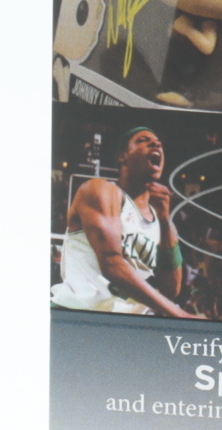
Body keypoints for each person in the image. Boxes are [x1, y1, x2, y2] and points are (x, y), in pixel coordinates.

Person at [52, 126, 195, 317]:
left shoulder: (165, 224)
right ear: (123, 157)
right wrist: (178, 313)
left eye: (159, 143)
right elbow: (112, 264)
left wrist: (164, 219)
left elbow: (171, 291)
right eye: (143, 140)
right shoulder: (100, 189)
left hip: (123, 322)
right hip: (77, 313)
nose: (156, 143)